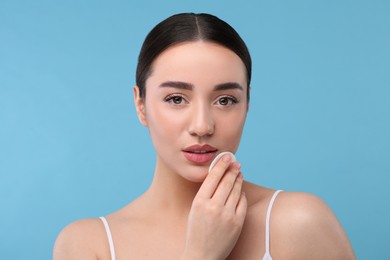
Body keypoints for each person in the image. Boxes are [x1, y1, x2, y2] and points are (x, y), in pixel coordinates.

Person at [53, 13, 355, 259]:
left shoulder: (298, 221)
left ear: (247, 103)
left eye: (225, 100)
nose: (202, 125)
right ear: (140, 105)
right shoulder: (88, 245)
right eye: (176, 98)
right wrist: (200, 254)